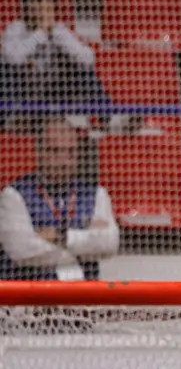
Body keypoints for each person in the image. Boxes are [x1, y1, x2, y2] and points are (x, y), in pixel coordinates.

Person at [0, 116, 119, 281]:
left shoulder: (96, 193)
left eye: (70, 152)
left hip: (84, 297)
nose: (63, 161)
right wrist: (85, 245)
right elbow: (22, 251)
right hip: (31, 296)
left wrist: (61, 237)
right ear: (39, 151)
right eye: (55, 151)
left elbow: (109, 244)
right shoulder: (14, 195)